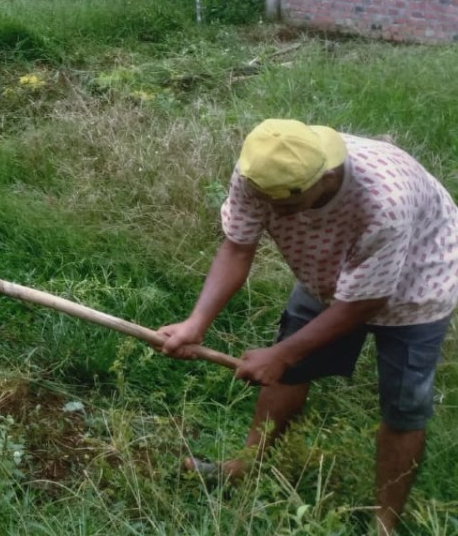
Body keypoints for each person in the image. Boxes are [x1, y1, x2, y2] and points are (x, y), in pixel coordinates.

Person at [159, 119, 457, 536]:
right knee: (287, 369)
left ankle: (383, 523)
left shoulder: (382, 202)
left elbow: (364, 302)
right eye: (268, 202)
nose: (274, 213)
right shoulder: (262, 173)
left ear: (327, 178)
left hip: (419, 282)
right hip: (327, 272)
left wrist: (281, 354)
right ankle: (245, 466)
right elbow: (238, 247)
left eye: (285, 206)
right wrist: (196, 323)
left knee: (404, 404)